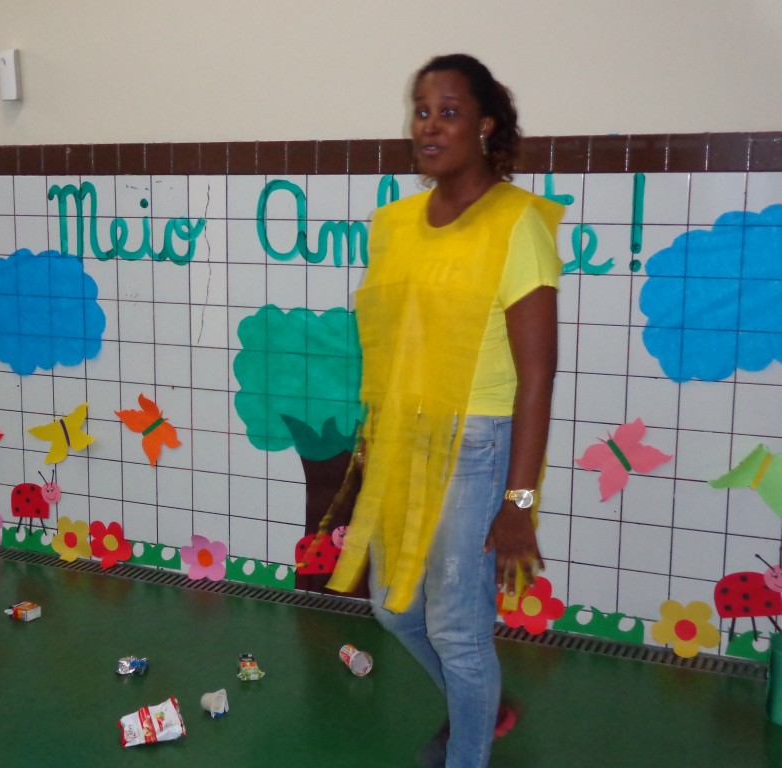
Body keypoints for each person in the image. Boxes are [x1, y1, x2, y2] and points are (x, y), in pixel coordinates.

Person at [328, 53, 563, 767]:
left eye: (449, 112)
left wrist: (519, 502)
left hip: (477, 445)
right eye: (422, 111)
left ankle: (468, 746)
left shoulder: (516, 223)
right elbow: (396, 348)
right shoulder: (395, 223)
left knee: (458, 630)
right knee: (394, 608)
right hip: (404, 439)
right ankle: (482, 706)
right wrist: (375, 450)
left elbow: (537, 375)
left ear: (485, 126)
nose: (429, 126)